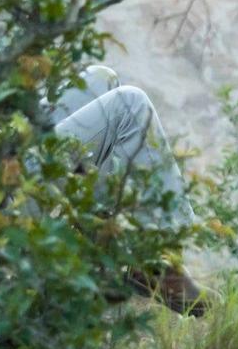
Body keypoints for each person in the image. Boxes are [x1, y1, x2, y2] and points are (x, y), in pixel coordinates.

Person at [50, 64, 205, 316]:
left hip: (0, 138)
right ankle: (157, 256)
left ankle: (108, 235)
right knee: (129, 104)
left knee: (102, 78)